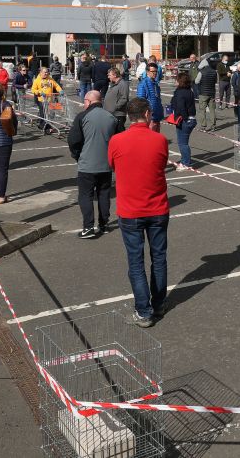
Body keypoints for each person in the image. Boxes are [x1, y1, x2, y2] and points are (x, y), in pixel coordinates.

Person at [108, 98, 170, 328]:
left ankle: (144, 311)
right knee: (159, 258)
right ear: (146, 114)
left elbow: (113, 165)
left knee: (136, 262)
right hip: (157, 208)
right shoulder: (159, 140)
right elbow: (161, 165)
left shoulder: (116, 140)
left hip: (130, 210)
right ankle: (159, 303)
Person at [68, 90, 118, 239]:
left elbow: (73, 140)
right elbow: (119, 139)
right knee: (104, 194)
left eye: (84, 101)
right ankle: (104, 224)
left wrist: (77, 155)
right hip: (105, 164)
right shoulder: (111, 117)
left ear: (88, 101)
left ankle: (88, 227)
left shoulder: (82, 117)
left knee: (86, 196)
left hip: (87, 164)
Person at [169, 72, 198, 171]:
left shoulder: (180, 93)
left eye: (176, 79)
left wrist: (184, 118)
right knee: (184, 142)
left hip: (185, 120)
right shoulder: (189, 91)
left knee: (183, 143)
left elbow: (181, 107)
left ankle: (186, 163)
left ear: (180, 81)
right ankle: (185, 160)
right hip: (191, 119)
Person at [31, 67, 63, 135]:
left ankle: (43, 125)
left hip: (50, 100)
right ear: (41, 72)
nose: (46, 73)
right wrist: (39, 92)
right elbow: (33, 90)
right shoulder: (37, 80)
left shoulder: (50, 79)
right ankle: (46, 128)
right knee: (43, 114)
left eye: (47, 72)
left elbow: (56, 85)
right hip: (41, 100)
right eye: (44, 72)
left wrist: (60, 90)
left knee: (50, 114)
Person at [136, 63, 164, 132]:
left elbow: (158, 99)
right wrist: (146, 115)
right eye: (153, 71)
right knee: (150, 140)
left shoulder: (155, 83)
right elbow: (140, 101)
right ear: (147, 72)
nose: (155, 73)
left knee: (156, 139)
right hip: (149, 118)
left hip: (157, 116)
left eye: (156, 71)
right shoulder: (143, 83)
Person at [103, 67, 129, 132]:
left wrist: (114, 107)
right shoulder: (112, 84)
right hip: (110, 114)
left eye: (109, 75)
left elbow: (124, 99)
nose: (108, 77)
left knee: (119, 133)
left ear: (115, 75)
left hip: (118, 115)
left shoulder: (123, 84)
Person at [196, 58, 218, 131]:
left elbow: (196, 81)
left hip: (203, 93)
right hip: (212, 93)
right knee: (212, 110)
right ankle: (213, 126)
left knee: (202, 110)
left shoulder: (201, 72)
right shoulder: (214, 72)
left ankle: (203, 126)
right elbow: (215, 81)